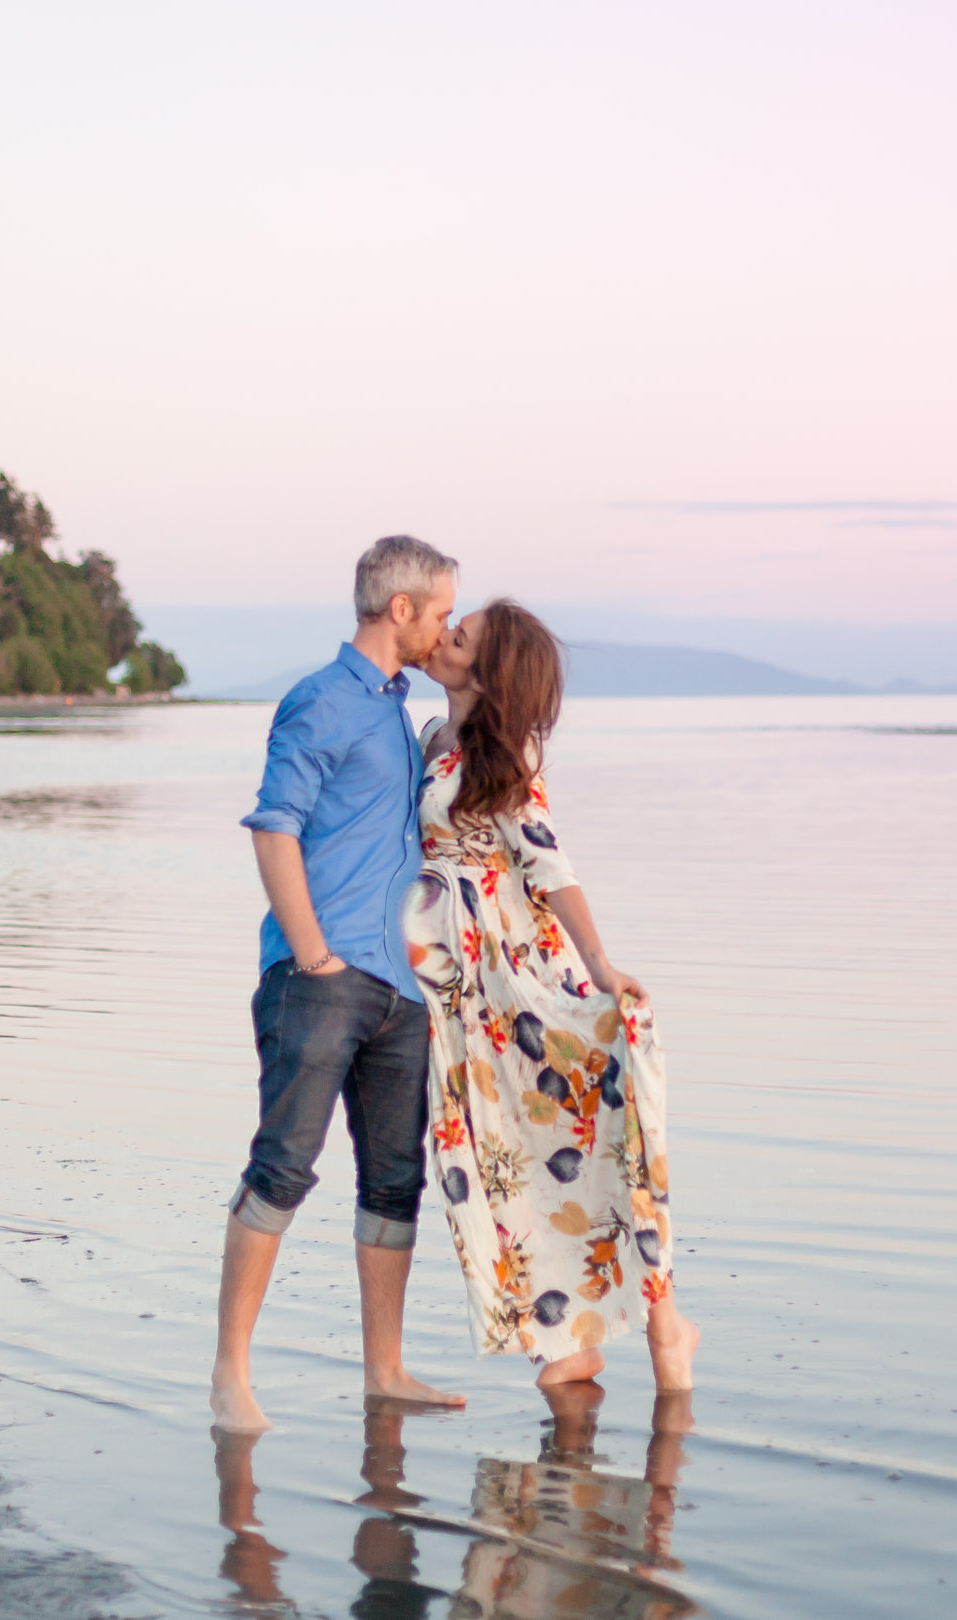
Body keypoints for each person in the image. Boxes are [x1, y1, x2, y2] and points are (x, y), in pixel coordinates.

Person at [407, 600, 699, 1390]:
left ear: (488, 671)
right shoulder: (431, 740)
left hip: (512, 978)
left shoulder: (500, 755)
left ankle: (666, 1320)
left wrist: (601, 964)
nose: (442, 641)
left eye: (457, 637)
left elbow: (548, 863)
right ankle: (565, 1344)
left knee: (577, 1145)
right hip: (459, 998)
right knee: (492, 1154)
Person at [211, 534, 468, 1432]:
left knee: (395, 1182)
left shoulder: (402, 714)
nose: (445, 627)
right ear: (400, 610)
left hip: (402, 988)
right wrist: (312, 950)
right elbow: (274, 825)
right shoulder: (320, 701)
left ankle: (385, 1370)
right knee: (283, 1166)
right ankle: (230, 1374)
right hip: (320, 978)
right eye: (439, 612)